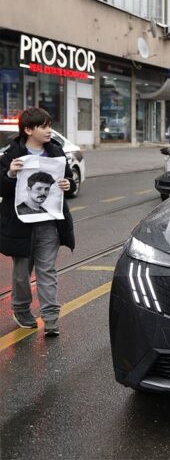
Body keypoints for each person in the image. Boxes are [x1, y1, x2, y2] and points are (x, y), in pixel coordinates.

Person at [0, 108, 76, 337]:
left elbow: (69, 181)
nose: (49, 130)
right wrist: (10, 175)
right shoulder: (10, 155)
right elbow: (2, 189)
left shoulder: (56, 151)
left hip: (49, 223)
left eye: (49, 125)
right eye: (44, 126)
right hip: (20, 224)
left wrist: (68, 185)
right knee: (22, 272)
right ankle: (21, 309)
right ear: (28, 130)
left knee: (47, 270)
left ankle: (51, 319)